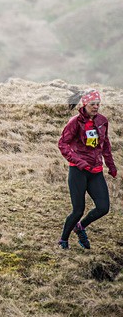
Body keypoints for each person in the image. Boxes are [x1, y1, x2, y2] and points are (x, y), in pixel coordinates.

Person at [57, 89, 117, 249]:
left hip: (95, 171)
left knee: (103, 208)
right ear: (85, 104)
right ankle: (63, 240)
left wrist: (111, 165)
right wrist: (79, 162)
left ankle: (80, 227)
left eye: (98, 104)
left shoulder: (103, 121)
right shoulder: (75, 122)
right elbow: (62, 144)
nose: (96, 107)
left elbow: (106, 145)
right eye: (93, 104)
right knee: (78, 210)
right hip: (78, 171)